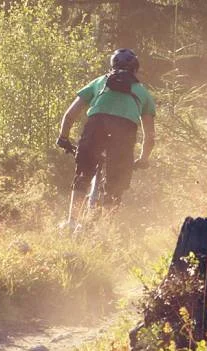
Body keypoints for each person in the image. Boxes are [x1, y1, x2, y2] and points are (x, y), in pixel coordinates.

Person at [56, 48, 156, 228]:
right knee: (115, 185)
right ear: (135, 69)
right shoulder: (143, 92)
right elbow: (150, 136)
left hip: (96, 127)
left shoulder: (99, 82)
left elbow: (70, 114)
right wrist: (143, 158)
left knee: (83, 175)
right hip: (124, 133)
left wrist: (63, 137)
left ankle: (72, 222)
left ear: (112, 65)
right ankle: (105, 231)